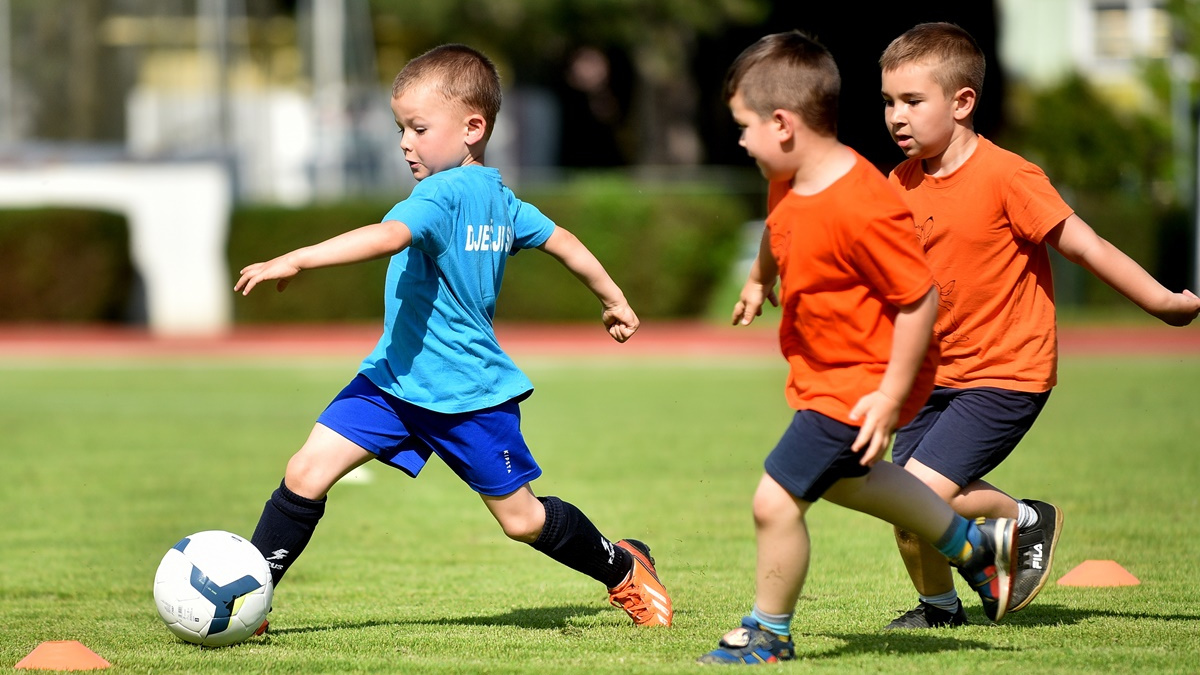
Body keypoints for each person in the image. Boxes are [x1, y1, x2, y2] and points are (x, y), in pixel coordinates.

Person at [234, 43, 673, 631]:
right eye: (400, 128)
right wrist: (613, 298)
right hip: (392, 380)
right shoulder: (500, 197)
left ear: (473, 128)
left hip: (465, 391)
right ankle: (249, 599)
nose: (404, 143)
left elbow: (388, 236)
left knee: (522, 520)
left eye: (418, 128)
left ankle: (623, 567)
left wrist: (298, 258)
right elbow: (563, 241)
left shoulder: (439, 195)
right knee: (306, 472)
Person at [697, 31, 1018, 666]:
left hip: (863, 379)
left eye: (743, 127)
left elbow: (918, 299)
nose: (740, 142)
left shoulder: (865, 205)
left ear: (782, 124)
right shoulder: (788, 175)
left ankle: (769, 632)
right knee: (846, 482)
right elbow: (778, 228)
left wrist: (890, 397)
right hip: (824, 372)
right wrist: (759, 278)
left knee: (774, 500)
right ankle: (972, 547)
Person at [877, 22, 1200, 629]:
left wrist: (1161, 301)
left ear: (962, 102)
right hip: (929, 375)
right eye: (889, 101)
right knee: (902, 504)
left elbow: (1087, 246)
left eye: (913, 101)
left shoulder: (1008, 176)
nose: (897, 116)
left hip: (1004, 373)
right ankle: (939, 610)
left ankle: (1023, 520)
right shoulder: (899, 184)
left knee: (917, 492)